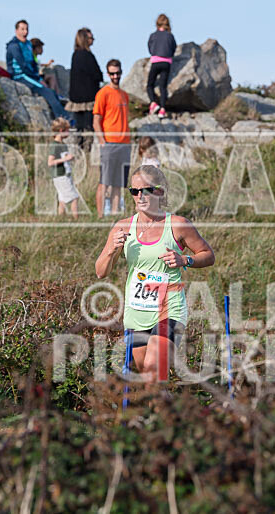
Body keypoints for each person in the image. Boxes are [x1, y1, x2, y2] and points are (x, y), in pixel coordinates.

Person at [95, 166, 215, 383]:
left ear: (159, 191)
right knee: (150, 384)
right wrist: (112, 249)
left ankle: (162, 413)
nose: (139, 196)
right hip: (136, 312)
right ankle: (168, 413)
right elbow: (101, 271)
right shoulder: (122, 227)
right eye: (134, 191)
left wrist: (185, 260)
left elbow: (207, 255)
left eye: (146, 190)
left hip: (169, 310)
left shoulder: (178, 225)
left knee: (152, 371)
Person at [6, 20, 67, 119]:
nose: (25, 32)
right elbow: (22, 65)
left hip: (31, 75)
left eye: (26, 29)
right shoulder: (14, 46)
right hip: (20, 76)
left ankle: (62, 119)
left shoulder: (28, 45)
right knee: (48, 92)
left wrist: (37, 76)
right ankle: (65, 120)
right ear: (16, 31)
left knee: (52, 93)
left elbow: (33, 63)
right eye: (22, 29)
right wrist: (35, 77)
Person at [93, 59, 131, 217]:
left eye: (118, 73)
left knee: (118, 183)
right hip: (109, 143)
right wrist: (102, 141)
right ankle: (100, 215)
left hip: (125, 144)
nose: (116, 76)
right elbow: (96, 120)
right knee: (105, 182)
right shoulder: (103, 93)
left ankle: (115, 215)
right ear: (108, 74)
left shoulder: (124, 95)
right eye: (112, 73)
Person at [67, 28, 103, 151]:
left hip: (76, 99)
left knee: (78, 128)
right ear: (85, 39)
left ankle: (78, 155)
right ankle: (86, 153)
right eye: (91, 38)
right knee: (88, 129)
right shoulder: (88, 56)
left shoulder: (75, 55)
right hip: (88, 98)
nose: (93, 40)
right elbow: (97, 75)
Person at [146, 14, 177, 118]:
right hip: (167, 62)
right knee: (163, 87)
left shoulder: (153, 35)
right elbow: (173, 48)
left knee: (150, 85)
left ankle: (153, 103)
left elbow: (150, 48)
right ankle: (163, 109)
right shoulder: (170, 36)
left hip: (156, 61)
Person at [47, 117, 79, 217]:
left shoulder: (63, 144)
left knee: (62, 200)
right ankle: (76, 220)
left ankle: (60, 218)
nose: (69, 133)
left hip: (65, 174)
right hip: (60, 175)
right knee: (74, 198)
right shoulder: (55, 145)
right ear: (61, 131)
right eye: (67, 130)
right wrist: (65, 159)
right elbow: (50, 162)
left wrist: (69, 159)